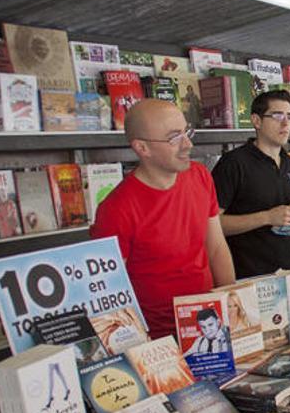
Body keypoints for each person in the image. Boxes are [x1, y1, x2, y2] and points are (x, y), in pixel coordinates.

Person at [91, 99, 236, 339]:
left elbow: (217, 247)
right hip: (159, 340)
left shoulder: (199, 176)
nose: (188, 144)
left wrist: (230, 301)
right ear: (142, 148)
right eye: (174, 137)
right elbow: (109, 292)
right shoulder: (116, 210)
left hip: (210, 322)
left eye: (186, 132)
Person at [212, 90, 290, 279]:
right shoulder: (233, 163)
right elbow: (211, 226)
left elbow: (288, 222)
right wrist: (266, 217)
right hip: (251, 276)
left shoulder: (289, 162)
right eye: (277, 116)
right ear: (256, 121)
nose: (286, 123)